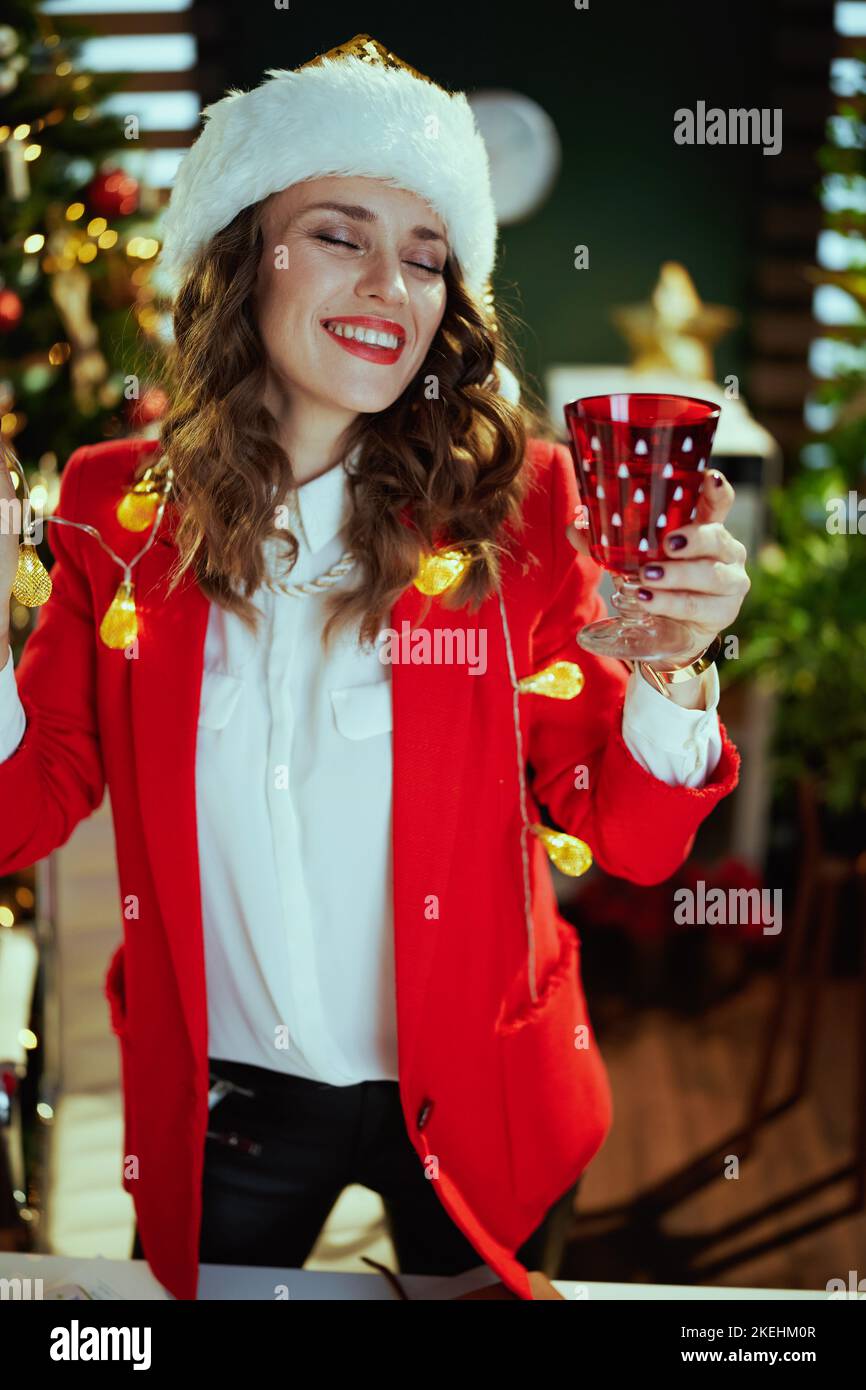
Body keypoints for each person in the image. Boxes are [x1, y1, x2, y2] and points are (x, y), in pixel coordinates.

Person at [0, 34, 747, 1300]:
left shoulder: (515, 511)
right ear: (245, 256)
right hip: (231, 1098)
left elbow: (625, 840)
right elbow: (30, 798)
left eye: (423, 252)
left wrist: (671, 674)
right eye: (339, 234)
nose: (389, 285)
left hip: (476, 1094)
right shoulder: (113, 510)